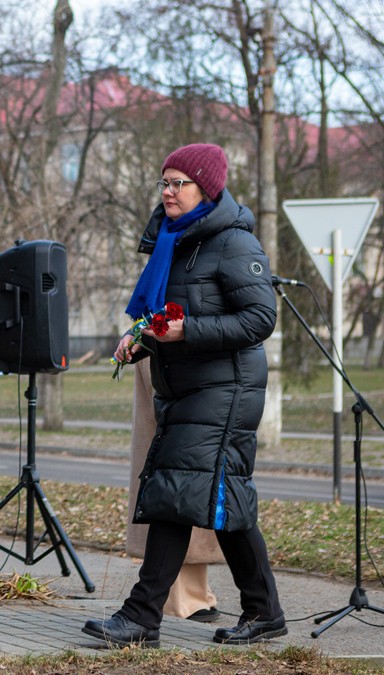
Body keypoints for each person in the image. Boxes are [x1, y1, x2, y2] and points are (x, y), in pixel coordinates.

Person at [83, 143, 285, 648]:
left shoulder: (233, 243)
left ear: (207, 189)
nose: (169, 192)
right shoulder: (178, 242)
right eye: (164, 182)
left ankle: (141, 617)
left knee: (176, 494)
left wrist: (186, 332)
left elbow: (260, 319)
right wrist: (142, 338)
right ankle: (265, 612)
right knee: (223, 501)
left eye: (179, 183)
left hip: (226, 389)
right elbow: (167, 315)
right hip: (187, 388)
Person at [127, 358, 224, 624]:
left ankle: (187, 593)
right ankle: (180, 597)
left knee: (186, 475)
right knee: (178, 474)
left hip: (180, 343)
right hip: (171, 342)